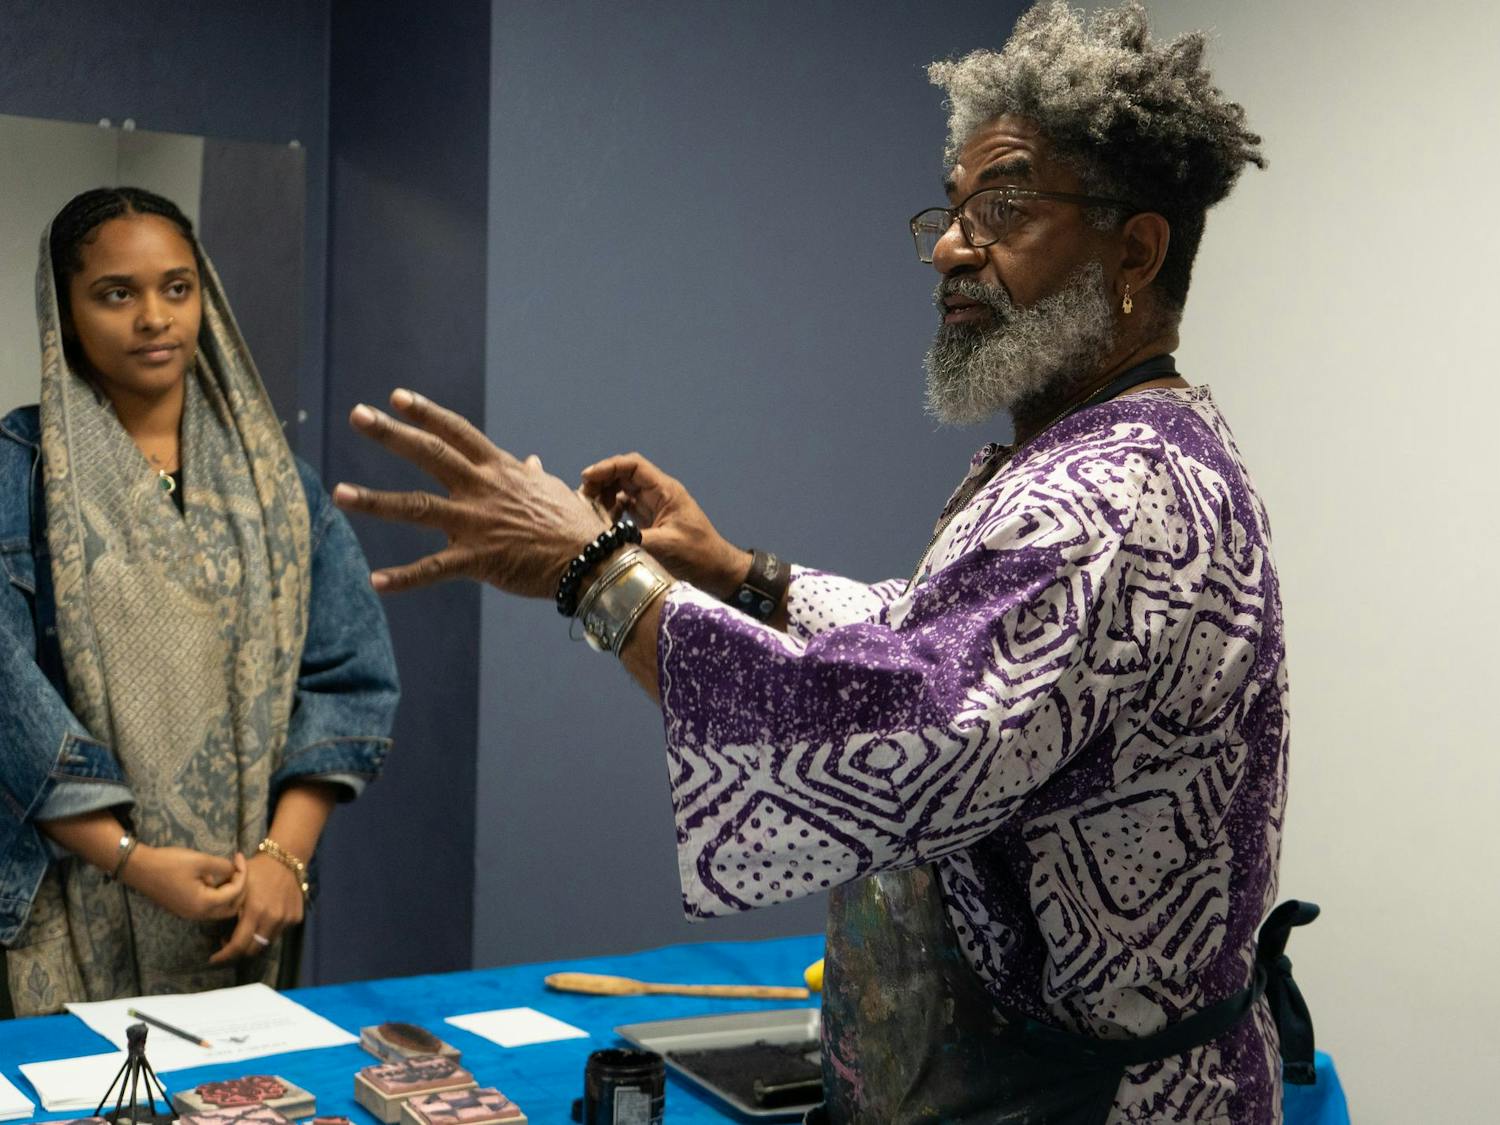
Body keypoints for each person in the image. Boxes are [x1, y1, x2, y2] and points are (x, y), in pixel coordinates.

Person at [334, 4, 1314, 1121]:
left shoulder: (1112, 490)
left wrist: (596, 570)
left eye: (1002, 208)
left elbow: (910, 742)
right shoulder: (1128, 441)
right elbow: (953, 641)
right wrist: (739, 573)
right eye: (949, 214)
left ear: (1134, 249)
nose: (951, 247)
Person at [0, 187, 400, 1017]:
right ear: (66, 311)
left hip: (247, 904)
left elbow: (346, 678)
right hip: (61, 902)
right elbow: (7, 699)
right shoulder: (17, 476)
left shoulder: (277, 483)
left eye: (177, 288)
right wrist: (129, 857)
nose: (155, 317)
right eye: (118, 293)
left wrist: (283, 860)